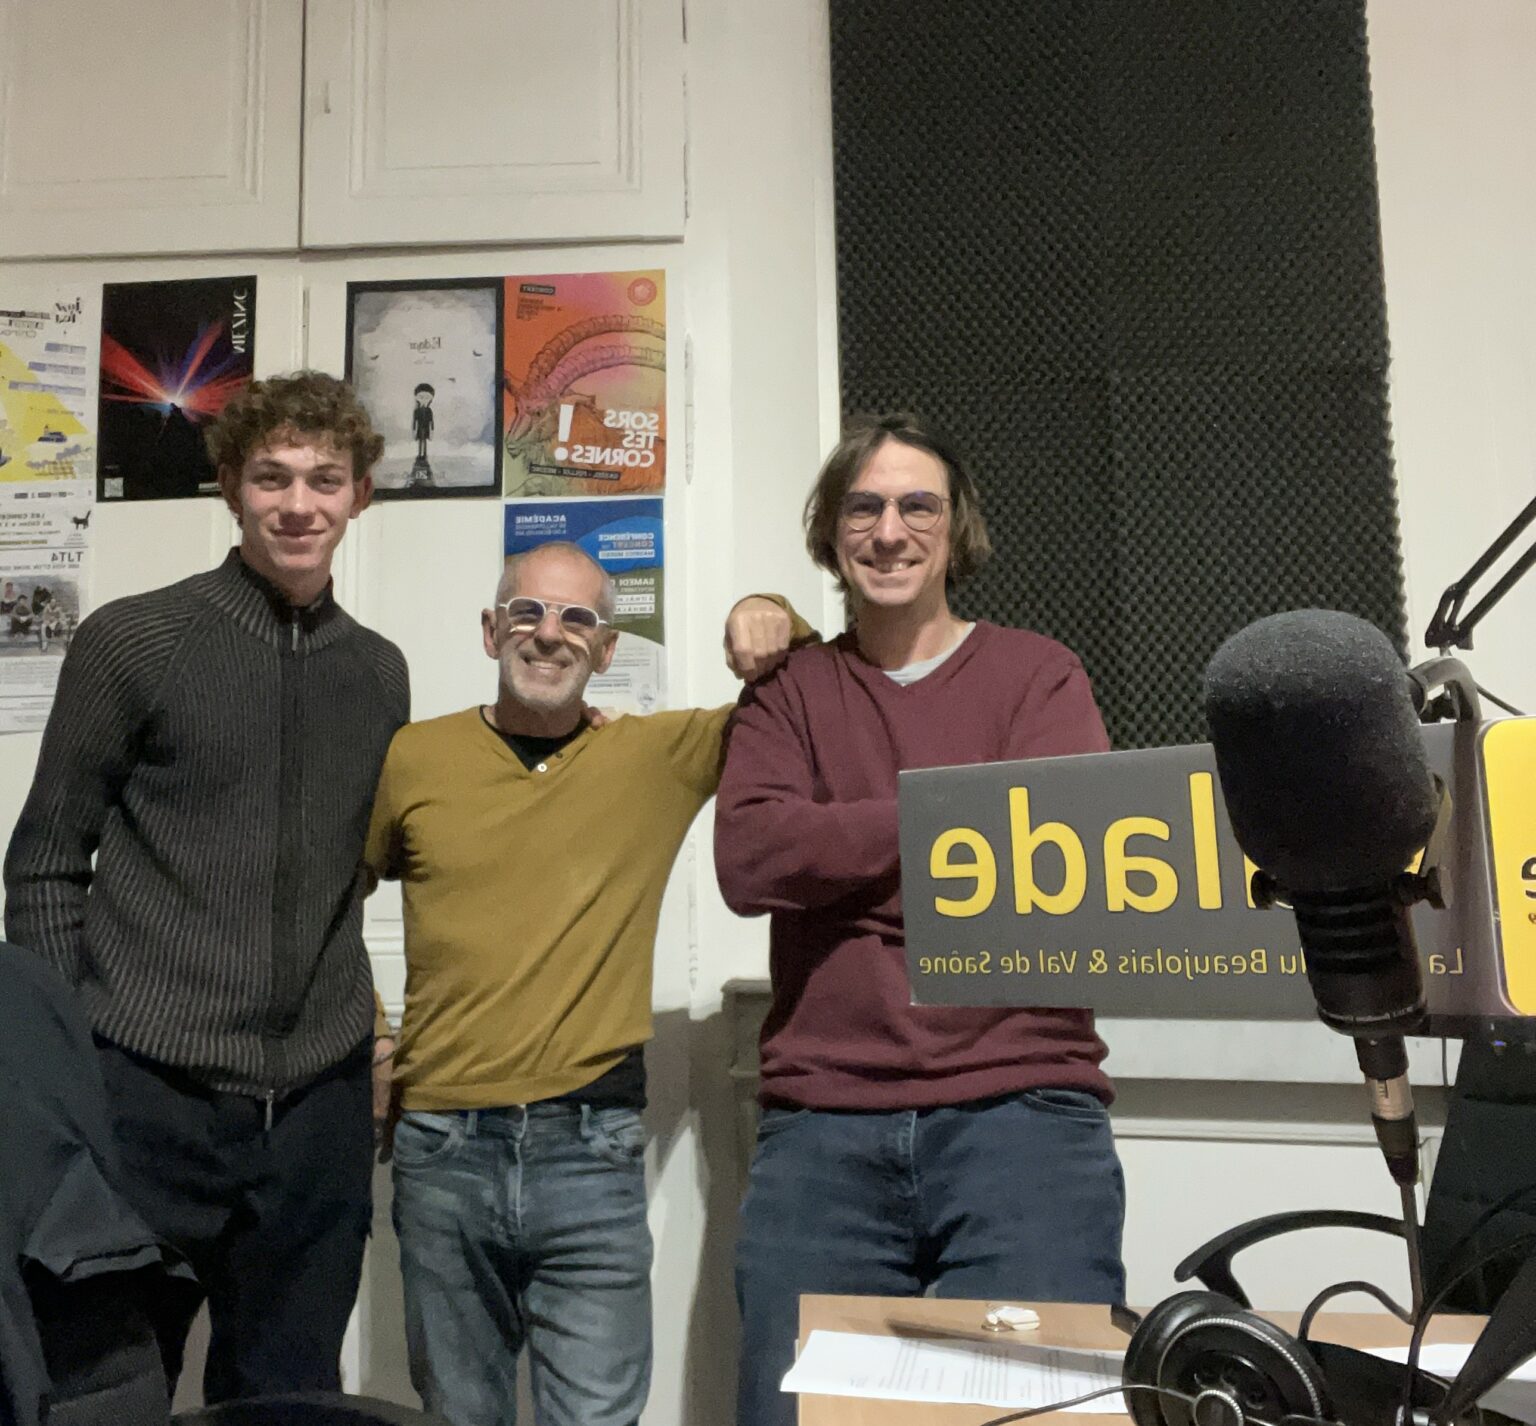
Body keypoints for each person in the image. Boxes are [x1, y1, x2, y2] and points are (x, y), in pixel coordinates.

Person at [714, 414, 1127, 1426]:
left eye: (916, 506)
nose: (890, 531)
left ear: (955, 528)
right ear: (831, 530)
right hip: (823, 1124)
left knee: (1040, 1414)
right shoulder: (787, 692)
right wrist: (957, 820)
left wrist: (840, 855)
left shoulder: (1041, 675)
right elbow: (752, 859)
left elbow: (1056, 872)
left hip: (1024, 1111)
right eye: (864, 507)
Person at [4, 370, 408, 1405]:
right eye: (272, 477)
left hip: (315, 1114)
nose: (299, 504)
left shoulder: (379, 673)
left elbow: (351, 876)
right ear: (231, 487)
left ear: (361, 494)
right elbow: (45, 861)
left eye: (325, 479)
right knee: (104, 1390)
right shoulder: (134, 639)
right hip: (144, 1097)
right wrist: (69, 1076)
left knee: (287, 1398)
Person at [363, 540, 806, 1426]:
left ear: (606, 651)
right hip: (442, 1147)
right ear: (490, 631)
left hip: (590, 1147)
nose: (548, 633)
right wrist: (374, 1036)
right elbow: (326, 903)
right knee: (457, 1415)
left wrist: (771, 614)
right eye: (526, 611)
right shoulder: (416, 755)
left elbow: (802, 698)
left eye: (577, 619)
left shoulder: (654, 755)